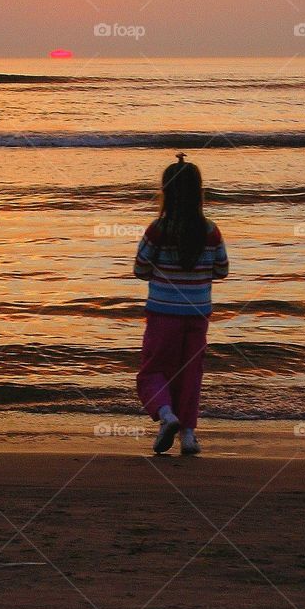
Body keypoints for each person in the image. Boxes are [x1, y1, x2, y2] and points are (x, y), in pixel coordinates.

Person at [134, 153, 228, 455]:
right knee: (191, 374)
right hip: (197, 314)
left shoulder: (157, 230)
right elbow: (222, 270)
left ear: (167, 193)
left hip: (163, 314)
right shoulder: (210, 231)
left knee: (152, 370)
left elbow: (140, 268)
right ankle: (188, 435)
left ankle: (166, 415)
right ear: (198, 193)